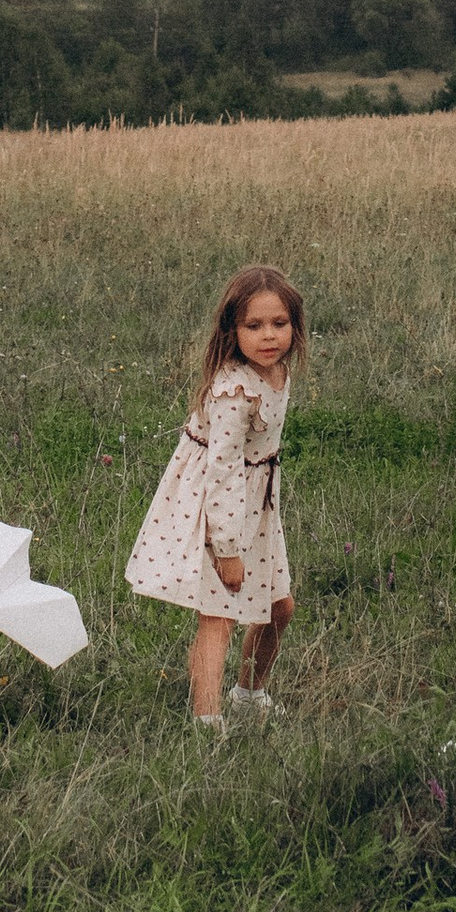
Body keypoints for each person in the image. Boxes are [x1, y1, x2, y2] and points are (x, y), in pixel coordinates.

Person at [125, 265, 303, 728]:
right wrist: (226, 550)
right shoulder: (233, 392)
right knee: (219, 614)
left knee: (279, 606)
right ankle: (208, 721)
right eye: (254, 325)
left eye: (279, 324)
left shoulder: (278, 371)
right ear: (232, 329)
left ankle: (248, 691)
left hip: (257, 503)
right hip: (217, 508)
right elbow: (221, 473)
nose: (269, 336)